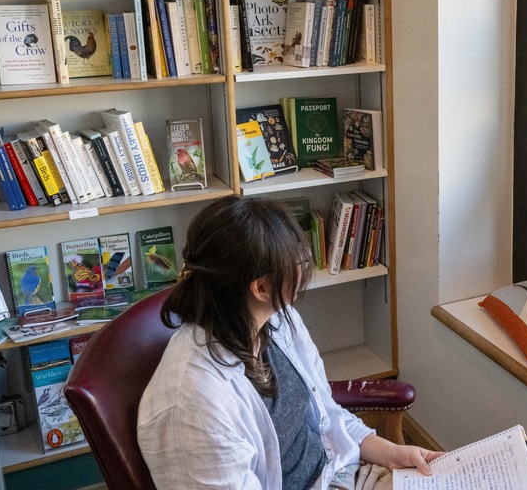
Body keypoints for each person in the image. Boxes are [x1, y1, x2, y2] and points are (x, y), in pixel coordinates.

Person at [137, 195, 442, 489]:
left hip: (342, 470)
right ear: (261, 287)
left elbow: (328, 414)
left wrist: (391, 452)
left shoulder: (278, 322)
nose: (304, 266)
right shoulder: (194, 407)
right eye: (297, 259)